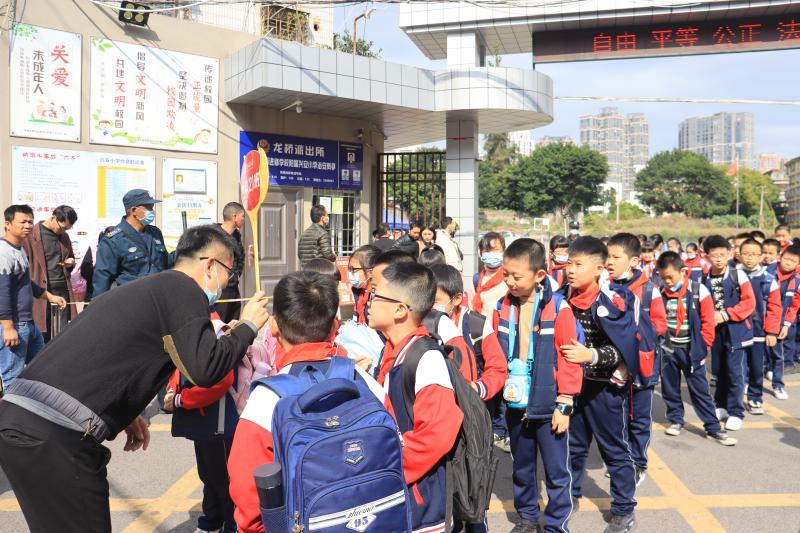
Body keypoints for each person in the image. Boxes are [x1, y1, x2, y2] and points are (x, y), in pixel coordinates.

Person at [0, 225, 270, 533]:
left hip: (20, 418)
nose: (227, 283)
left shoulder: (145, 289)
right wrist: (248, 326)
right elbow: (205, 369)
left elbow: (106, 352)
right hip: (55, 433)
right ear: (210, 265)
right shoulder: (183, 289)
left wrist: (122, 412)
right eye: (229, 274)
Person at [228, 271, 386, 533]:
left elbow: (249, 506)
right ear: (336, 327)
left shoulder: (266, 402)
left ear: (274, 325)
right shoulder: (368, 385)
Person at [494, 238, 582, 533]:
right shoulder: (502, 305)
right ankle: (528, 517)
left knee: (557, 471)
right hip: (515, 400)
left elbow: (570, 359)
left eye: (516, 276)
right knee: (522, 466)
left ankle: (556, 525)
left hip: (548, 404)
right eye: (506, 274)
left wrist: (564, 403)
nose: (509, 281)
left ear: (539, 275)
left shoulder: (559, 308)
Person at [368, 261, 463, 533]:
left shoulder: (426, 358)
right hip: (399, 495)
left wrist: (388, 471)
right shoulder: (393, 350)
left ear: (400, 309)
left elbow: (436, 434)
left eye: (376, 294)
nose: (369, 302)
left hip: (421, 506)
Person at [560, 236, 639, 533]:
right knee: (573, 447)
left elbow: (626, 346)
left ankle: (623, 509)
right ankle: (572, 495)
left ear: (598, 268)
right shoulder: (561, 296)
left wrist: (590, 354)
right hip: (573, 386)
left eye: (578, 264)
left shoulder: (614, 298)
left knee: (615, 450)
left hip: (606, 388)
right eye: (569, 262)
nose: (570, 269)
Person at [163, 316, 240, 533]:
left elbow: (220, 381)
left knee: (224, 479)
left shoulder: (216, 333)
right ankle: (211, 520)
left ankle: (231, 524)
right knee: (207, 475)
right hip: (201, 420)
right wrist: (172, 390)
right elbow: (179, 368)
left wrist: (181, 399)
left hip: (219, 422)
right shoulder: (192, 330)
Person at [656, 252, 737, 446]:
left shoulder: (699, 291)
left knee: (700, 390)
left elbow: (708, 323)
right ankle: (676, 419)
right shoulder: (660, 293)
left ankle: (713, 428)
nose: (667, 281)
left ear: (683, 271)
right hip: (668, 349)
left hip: (692, 350)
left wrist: (704, 346)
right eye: (663, 277)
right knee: (670, 388)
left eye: (670, 277)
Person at [606, 233, 667, 483]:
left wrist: (632, 334)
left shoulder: (650, 290)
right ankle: (622, 460)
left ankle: (638, 463)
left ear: (633, 261)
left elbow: (660, 325)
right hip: (613, 365)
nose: (609, 261)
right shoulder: (605, 286)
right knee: (617, 416)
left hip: (642, 365)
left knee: (639, 418)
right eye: (607, 255)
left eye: (615, 257)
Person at [1, 205, 67, 386]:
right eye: (22, 222)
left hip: (28, 323)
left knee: (42, 369)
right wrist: (7, 327)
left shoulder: (19, 249)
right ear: (8, 224)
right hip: (14, 325)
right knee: (12, 379)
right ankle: (10, 414)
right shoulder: (3, 252)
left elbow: (26, 283)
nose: (28, 225)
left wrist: (50, 297)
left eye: (30, 221)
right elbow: (2, 292)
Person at [701, 235, 756, 432]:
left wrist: (725, 315)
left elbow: (749, 303)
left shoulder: (738, 275)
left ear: (730, 254)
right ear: (706, 256)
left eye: (722, 255)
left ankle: (736, 412)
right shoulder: (704, 277)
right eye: (714, 256)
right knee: (718, 371)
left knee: (735, 373)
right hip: (715, 332)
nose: (718, 259)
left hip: (736, 331)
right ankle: (721, 405)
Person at [92, 189, 172, 298]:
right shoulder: (113, 240)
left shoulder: (155, 233)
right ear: (134, 210)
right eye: (148, 207)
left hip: (157, 297)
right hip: (131, 301)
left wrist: (187, 249)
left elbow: (165, 262)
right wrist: (99, 308)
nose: (152, 211)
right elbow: (102, 277)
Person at [738, 238, 783, 413]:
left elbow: (774, 308)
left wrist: (772, 332)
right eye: (745, 254)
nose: (749, 258)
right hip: (736, 331)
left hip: (758, 332)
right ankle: (732, 399)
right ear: (739, 255)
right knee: (735, 368)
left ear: (761, 256)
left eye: (753, 254)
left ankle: (755, 397)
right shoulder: (732, 275)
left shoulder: (768, 279)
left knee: (757, 367)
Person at [21, 205, 79, 341]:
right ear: (53, 218)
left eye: (67, 229)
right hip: (40, 290)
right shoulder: (30, 236)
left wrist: (70, 262)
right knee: (41, 331)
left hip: (62, 289)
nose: (63, 231)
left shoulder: (64, 237)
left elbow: (70, 257)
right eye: (62, 227)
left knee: (62, 332)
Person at [767, 244, 800, 400]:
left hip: (779, 324)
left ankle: (778, 385)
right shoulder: (766, 273)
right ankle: (750, 383)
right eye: (786, 259)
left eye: (792, 261)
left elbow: (794, 306)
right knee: (755, 356)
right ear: (780, 257)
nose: (788, 263)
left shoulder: (797, 281)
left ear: (798, 265)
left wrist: (786, 324)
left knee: (778, 356)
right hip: (760, 321)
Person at [216, 202, 251, 323]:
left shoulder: (236, 236)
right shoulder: (214, 236)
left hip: (233, 288)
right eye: (242, 216)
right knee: (220, 324)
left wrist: (236, 275)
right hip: (219, 290)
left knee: (234, 323)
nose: (244, 219)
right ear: (234, 217)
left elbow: (240, 258)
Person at [472, 232, 507, 319]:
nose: (491, 254)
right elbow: (470, 308)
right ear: (481, 253)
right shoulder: (477, 279)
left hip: (505, 329)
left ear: (503, 251)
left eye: (495, 250)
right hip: (483, 330)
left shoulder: (511, 277)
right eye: (487, 251)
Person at [79, 227, 116, 303]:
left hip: (112, 292)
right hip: (93, 291)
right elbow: (85, 270)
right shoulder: (94, 249)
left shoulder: (120, 250)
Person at [348, 244, 381, 324]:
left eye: (353, 269)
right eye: (349, 269)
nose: (349, 273)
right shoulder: (358, 291)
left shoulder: (380, 297)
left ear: (370, 272)